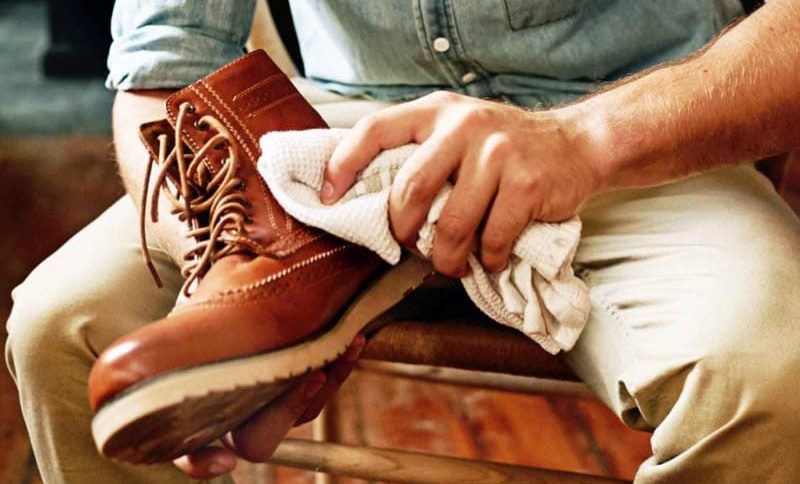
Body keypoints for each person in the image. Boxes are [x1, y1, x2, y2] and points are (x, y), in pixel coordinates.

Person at [6, 0, 800, 482]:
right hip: (339, 146)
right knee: (61, 329)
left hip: (634, 133)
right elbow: (163, 73)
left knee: (761, 375)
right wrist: (234, 276)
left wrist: (584, 142)